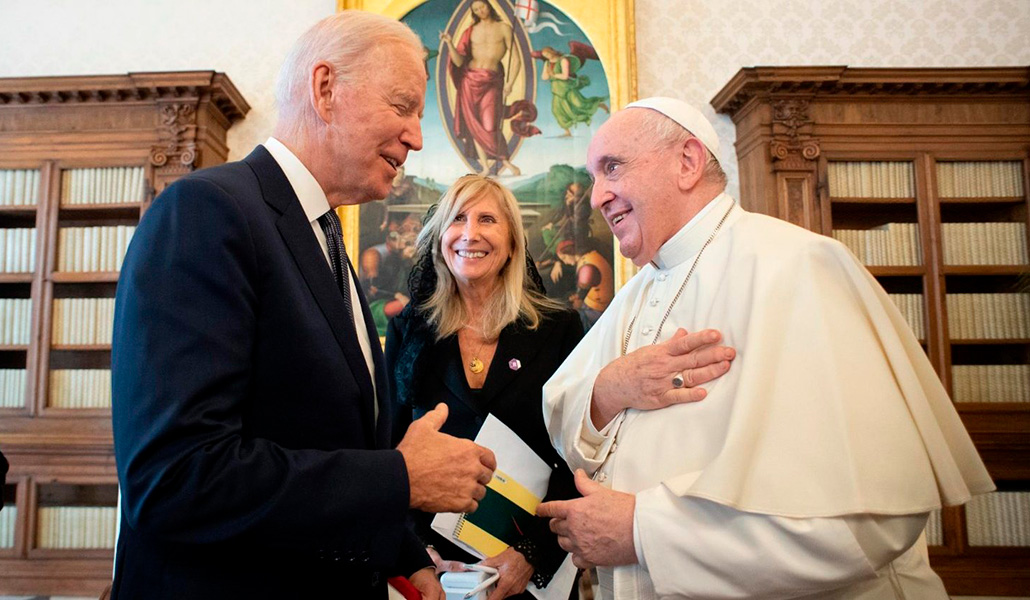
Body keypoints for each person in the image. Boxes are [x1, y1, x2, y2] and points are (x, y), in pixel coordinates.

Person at [537, 97, 995, 599]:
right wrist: (610, 388)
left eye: (613, 167)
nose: (597, 195)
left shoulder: (800, 266)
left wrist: (641, 532)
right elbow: (563, 414)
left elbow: (868, 527)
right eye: (594, 175)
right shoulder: (637, 292)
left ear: (687, 162)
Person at [110, 12, 497, 600]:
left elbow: (323, 441)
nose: (417, 136)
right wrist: (400, 478)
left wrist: (402, 551)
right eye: (402, 107)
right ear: (325, 89)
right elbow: (177, 479)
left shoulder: (325, 240)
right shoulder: (208, 214)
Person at [386, 175, 583, 599]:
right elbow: (387, 452)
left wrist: (530, 553)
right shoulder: (408, 330)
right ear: (440, 237)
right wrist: (417, 554)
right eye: (457, 218)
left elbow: (578, 455)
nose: (470, 234)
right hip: (433, 573)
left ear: (512, 242)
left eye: (488, 219)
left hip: (532, 569)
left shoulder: (559, 329)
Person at [440, 0, 530, 176]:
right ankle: (486, 167)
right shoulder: (470, 31)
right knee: (474, 124)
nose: (480, 11)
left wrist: (510, 83)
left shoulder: (503, 28)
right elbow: (458, 62)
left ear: (489, 6)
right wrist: (449, 43)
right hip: (469, 80)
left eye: (482, 6)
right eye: (475, 9)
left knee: (490, 124)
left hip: (492, 81)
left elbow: (517, 59)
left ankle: (505, 162)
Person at [537, 44, 608, 137]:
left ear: (552, 51)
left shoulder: (563, 60)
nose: (547, 56)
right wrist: (548, 74)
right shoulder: (547, 63)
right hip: (556, 90)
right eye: (545, 55)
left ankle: (598, 104)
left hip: (567, 88)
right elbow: (544, 77)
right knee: (556, 111)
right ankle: (567, 132)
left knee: (579, 104)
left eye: (548, 53)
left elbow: (565, 76)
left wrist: (553, 75)